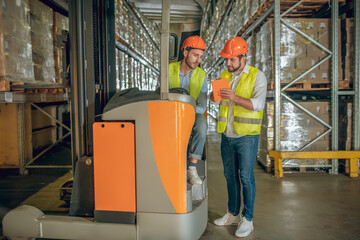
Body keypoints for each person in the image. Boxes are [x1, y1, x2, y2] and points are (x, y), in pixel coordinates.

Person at [211, 36, 267, 237]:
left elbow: (258, 104)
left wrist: (234, 97)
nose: (228, 63)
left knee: (246, 177)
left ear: (243, 58)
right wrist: (213, 96)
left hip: (247, 137)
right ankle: (233, 213)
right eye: (226, 59)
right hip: (227, 135)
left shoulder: (257, 76)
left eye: (232, 59)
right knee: (229, 176)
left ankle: (248, 219)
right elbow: (218, 100)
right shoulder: (225, 74)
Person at [168, 35, 208, 185]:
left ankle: (191, 168)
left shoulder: (202, 75)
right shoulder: (168, 69)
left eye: (201, 57)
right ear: (185, 52)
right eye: (195, 55)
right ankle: (168, 164)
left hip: (192, 113)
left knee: (202, 124)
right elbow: (158, 95)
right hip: (169, 112)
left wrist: (186, 111)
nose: (198, 60)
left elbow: (203, 105)